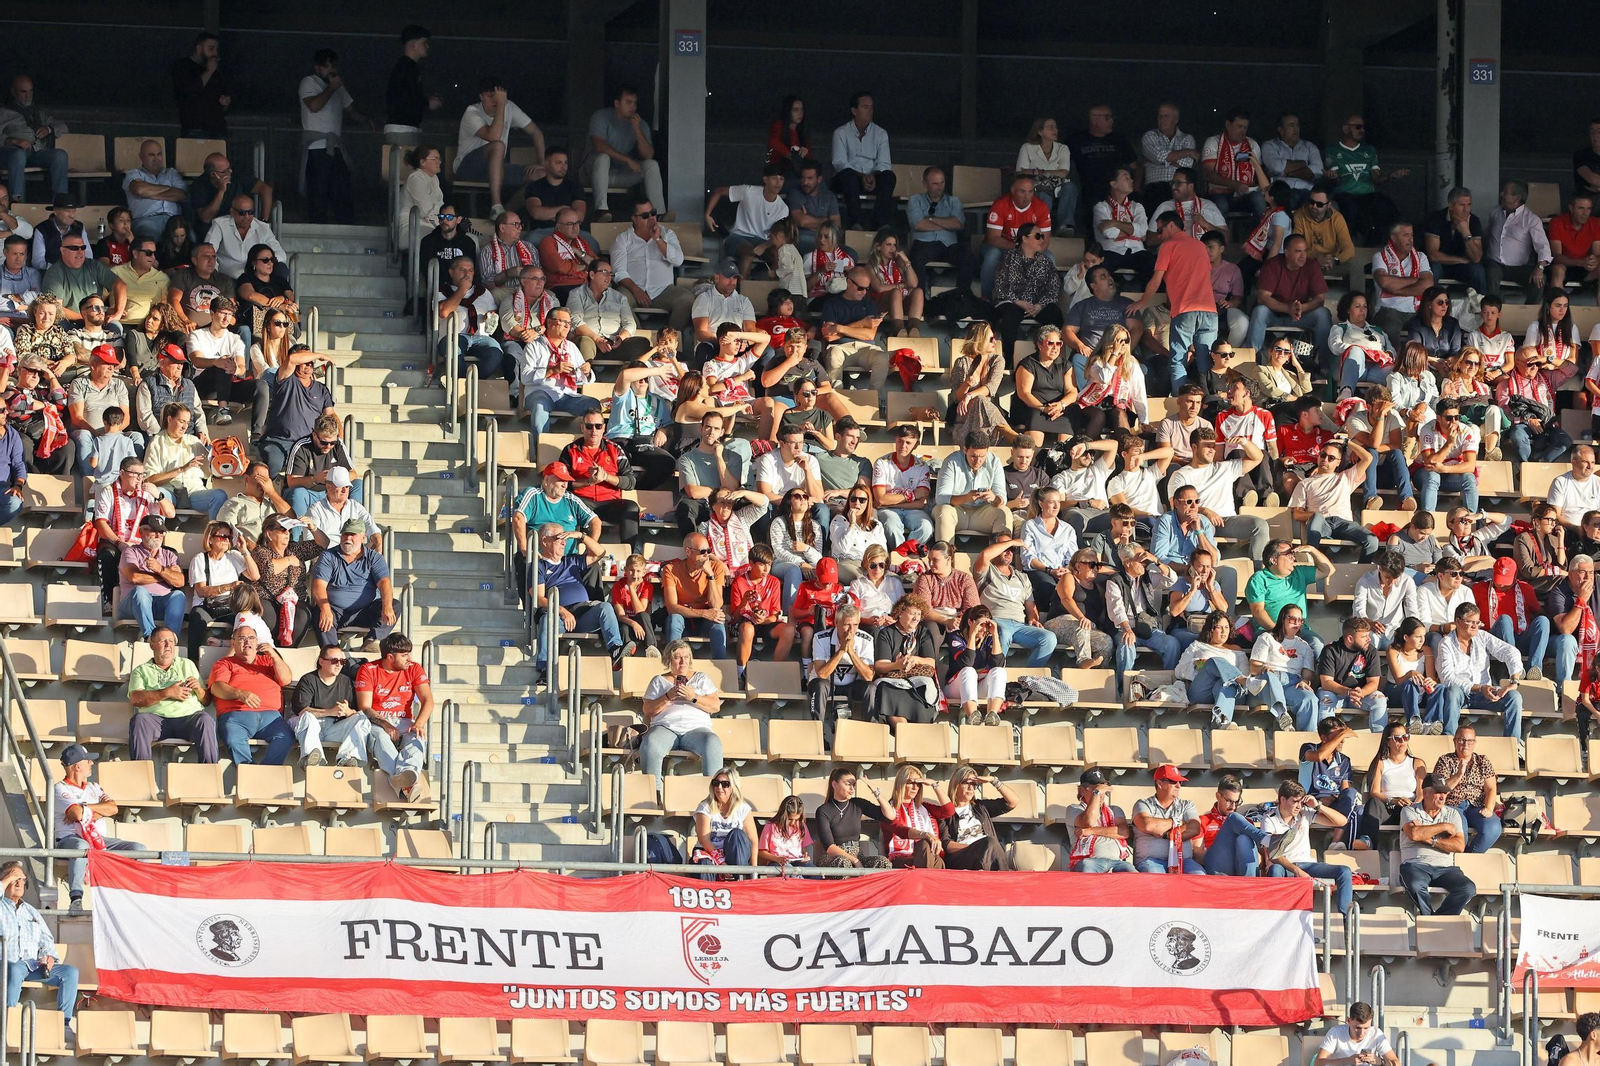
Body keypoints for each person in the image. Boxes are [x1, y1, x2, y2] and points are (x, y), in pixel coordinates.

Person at [53, 743, 151, 915]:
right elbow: (76, 813)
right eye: (88, 761)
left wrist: (85, 809)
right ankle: (76, 899)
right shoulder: (59, 788)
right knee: (82, 846)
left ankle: (140, 898)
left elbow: (113, 808)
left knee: (139, 849)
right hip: (69, 840)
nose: (92, 763)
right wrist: (95, 811)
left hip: (98, 839)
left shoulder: (94, 787)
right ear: (77, 766)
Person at [1128, 211, 1217, 394]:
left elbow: (1156, 280)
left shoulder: (1168, 245)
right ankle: (1208, 402)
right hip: (1209, 310)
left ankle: (1180, 402)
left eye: (1160, 230)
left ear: (1171, 225)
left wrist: (1142, 302)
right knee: (1206, 361)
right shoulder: (1200, 246)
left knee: (1178, 361)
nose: (1159, 235)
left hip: (1185, 310)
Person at [1170, 426, 1269, 561]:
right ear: (1194, 447)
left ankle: (1258, 569)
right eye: (1207, 446)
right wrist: (1205, 511)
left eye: (1213, 446)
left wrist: (1243, 442)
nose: (1212, 450)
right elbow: (1175, 506)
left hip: (1227, 521)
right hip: (1200, 520)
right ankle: (1206, 567)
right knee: (1203, 524)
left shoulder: (1224, 468)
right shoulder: (1180, 475)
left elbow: (1257, 458)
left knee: (1260, 525)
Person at [352, 633, 432, 800]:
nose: (410, 658)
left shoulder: (414, 668)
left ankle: (406, 775)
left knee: (417, 736)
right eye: (404, 655)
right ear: (389, 657)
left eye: (409, 653)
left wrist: (418, 724)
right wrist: (385, 724)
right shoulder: (368, 670)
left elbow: (428, 700)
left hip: (404, 720)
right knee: (381, 737)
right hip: (377, 722)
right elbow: (365, 707)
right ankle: (407, 785)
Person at [455, 78, 545, 219]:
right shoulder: (472, 111)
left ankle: (504, 215)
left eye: (499, 97)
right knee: (498, 146)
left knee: (542, 175)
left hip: (496, 169)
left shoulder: (509, 107)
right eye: (491, 96)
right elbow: (494, 136)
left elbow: (536, 132)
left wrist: (542, 162)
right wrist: (502, 105)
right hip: (468, 169)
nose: (495, 101)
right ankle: (496, 206)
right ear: (481, 96)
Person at [1262, 781, 1354, 915]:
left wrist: (1318, 806)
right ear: (1283, 799)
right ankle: (1277, 916)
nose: (1299, 806)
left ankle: (1346, 920)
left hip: (1307, 864)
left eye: (1301, 802)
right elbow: (1273, 854)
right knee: (1275, 869)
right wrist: (1297, 871)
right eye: (1295, 801)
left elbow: (1342, 821)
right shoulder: (1269, 819)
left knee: (1344, 871)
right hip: (1285, 866)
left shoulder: (1305, 812)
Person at [128, 625, 217, 763]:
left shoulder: (187, 664)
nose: (168, 645)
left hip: (189, 719)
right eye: (163, 641)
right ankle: (141, 773)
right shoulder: (141, 670)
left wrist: (199, 689)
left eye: (171, 641)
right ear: (152, 645)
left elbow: (206, 701)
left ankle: (209, 772)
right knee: (139, 721)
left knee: (206, 720)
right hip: (155, 720)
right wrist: (167, 692)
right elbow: (135, 699)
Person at [641, 640, 723, 787]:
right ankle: (653, 793)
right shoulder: (658, 681)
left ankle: (714, 796)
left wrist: (694, 697)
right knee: (651, 743)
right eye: (677, 657)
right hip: (665, 727)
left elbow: (715, 706)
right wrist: (668, 696)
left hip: (696, 729)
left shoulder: (701, 678)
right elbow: (647, 710)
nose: (683, 661)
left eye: (686, 657)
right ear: (669, 659)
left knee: (713, 742)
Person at [207, 626, 294, 766]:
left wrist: (273, 654)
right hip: (236, 716)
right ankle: (249, 772)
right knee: (233, 740)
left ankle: (262, 773)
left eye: (251, 638)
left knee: (286, 737)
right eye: (242, 638)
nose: (247, 641)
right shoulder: (224, 663)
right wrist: (239, 693)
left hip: (271, 718)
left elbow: (286, 680)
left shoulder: (268, 661)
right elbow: (217, 688)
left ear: (257, 642)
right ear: (233, 643)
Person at [1436, 602, 1525, 739]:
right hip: (1461, 694)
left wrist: (1514, 680)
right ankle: (1449, 739)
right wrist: (1479, 688)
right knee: (1452, 691)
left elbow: (1510, 651)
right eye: (1470, 622)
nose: (1475, 626)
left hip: (1486, 694)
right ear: (1458, 621)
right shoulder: (1446, 643)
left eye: (1477, 622)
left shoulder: (1482, 636)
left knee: (1514, 697)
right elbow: (1447, 679)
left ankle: (1513, 744)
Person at [1398, 773, 1476, 916]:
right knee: (1415, 886)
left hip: (1446, 868)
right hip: (1416, 865)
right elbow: (1414, 834)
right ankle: (1430, 920)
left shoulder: (1453, 814)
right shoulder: (1409, 810)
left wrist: (1428, 838)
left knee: (1468, 888)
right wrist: (1444, 826)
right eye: (1438, 792)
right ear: (1425, 793)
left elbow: (1459, 846)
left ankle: (1436, 920)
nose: (1442, 797)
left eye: (1445, 793)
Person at [310, 521, 396, 650]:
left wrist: (387, 606)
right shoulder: (328, 556)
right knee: (319, 612)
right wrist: (325, 609)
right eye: (345, 534)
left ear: (363, 537)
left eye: (353, 534)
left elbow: (384, 582)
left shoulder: (374, 558)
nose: (348, 538)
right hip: (335, 611)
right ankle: (332, 653)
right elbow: (318, 586)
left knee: (394, 605)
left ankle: (371, 641)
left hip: (366, 611)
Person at [611, 198, 694, 328]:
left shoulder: (667, 234)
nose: (651, 218)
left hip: (663, 290)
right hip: (633, 289)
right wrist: (636, 290)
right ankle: (637, 336)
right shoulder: (622, 239)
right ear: (634, 218)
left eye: (653, 213)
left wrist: (658, 239)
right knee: (616, 298)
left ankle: (671, 337)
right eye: (645, 216)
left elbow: (678, 260)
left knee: (687, 299)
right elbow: (619, 272)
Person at [586, 85, 662, 223]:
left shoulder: (640, 123)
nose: (633, 107)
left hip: (620, 174)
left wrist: (637, 130)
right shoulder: (601, 116)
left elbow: (648, 155)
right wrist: (627, 160)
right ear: (617, 103)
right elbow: (599, 146)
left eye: (635, 103)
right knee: (603, 158)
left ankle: (659, 213)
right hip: (593, 172)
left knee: (651, 165)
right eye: (628, 102)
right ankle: (601, 211)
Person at [990, 223, 1064, 361]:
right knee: (1010, 315)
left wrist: (1040, 305)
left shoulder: (1045, 262)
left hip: (1037, 305)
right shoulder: (1008, 258)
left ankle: (1052, 358)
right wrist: (1018, 302)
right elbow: (1000, 285)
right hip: (1013, 302)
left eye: (1042, 236)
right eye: (1038, 236)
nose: (1042, 239)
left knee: (1055, 313)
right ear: (1024, 238)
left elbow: (1053, 287)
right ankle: (1009, 359)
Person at [1247, 235, 1331, 354]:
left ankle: (1325, 364)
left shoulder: (1312, 265)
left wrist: (1301, 308)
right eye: (1298, 251)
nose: (1303, 256)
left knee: (1323, 313)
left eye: (1305, 251)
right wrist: (1287, 308)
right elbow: (1262, 297)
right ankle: (1252, 360)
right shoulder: (1273, 264)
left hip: (1301, 315)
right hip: (1274, 315)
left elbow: (1320, 299)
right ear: (1286, 252)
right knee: (1260, 311)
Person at [145, 402, 226, 519]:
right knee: (153, 493)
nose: (185, 427)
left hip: (194, 492)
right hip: (169, 492)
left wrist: (221, 458)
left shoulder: (194, 441)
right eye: (181, 421)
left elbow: (212, 471)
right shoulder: (156, 443)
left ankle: (215, 530)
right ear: (169, 419)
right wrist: (181, 469)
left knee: (219, 495)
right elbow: (149, 480)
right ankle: (157, 529)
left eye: (187, 423)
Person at [1497, 346, 1575, 465]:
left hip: (1547, 423)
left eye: (1537, 363)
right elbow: (1506, 410)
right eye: (1530, 364)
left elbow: (1572, 369)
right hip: (1522, 424)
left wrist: (1548, 359)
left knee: (1565, 440)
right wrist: (1528, 419)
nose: (1534, 367)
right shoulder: (1506, 384)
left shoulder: (1548, 377)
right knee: (1518, 435)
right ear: (1517, 363)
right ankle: (1525, 466)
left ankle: (1537, 465)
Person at [808, 603, 876, 740]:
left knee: (871, 688)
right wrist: (841, 650)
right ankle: (817, 735)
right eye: (847, 625)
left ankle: (873, 734)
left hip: (852, 685)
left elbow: (869, 676)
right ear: (836, 623)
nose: (851, 630)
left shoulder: (866, 640)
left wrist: (851, 652)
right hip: (826, 684)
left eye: (855, 625)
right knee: (820, 685)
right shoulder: (820, 638)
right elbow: (821, 674)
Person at [1174, 611, 1253, 728]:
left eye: (1226, 627)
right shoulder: (1197, 646)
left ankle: (1223, 721)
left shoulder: (1237, 652)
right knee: (1214, 661)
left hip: (1231, 693)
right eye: (1219, 627)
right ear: (1210, 629)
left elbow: (1245, 674)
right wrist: (1195, 665)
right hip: (1201, 692)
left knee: (1225, 682)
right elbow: (1178, 671)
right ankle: (1238, 678)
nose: (1224, 631)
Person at [290, 643, 362, 767]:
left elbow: (354, 712)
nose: (339, 664)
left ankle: (347, 758)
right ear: (321, 661)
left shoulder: (346, 681)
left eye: (342, 661)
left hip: (333, 727)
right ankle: (313, 760)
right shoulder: (308, 680)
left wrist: (348, 712)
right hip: (310, 727)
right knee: (307, 717)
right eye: (334, 661)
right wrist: (330, 711)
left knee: (361, 718)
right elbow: (302, 711)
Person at [932, 430, 1010, 544]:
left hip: (983, 513)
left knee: (1005, 512)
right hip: (957, 511)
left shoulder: (994, 462)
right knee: (943, 511)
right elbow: (941, 498)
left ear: (987, 451)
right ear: (965, 450)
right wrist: (966, 498)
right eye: (973, 456)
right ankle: (944, 553)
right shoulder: (951, 462)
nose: (978, 461)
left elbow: (1002, 498)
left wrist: (993, 498)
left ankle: (1000, 554)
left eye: (982, 456)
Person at [115, 514, 187, 638]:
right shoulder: (130, 552)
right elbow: (134, 577)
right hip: (132, 605)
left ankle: (170, 639)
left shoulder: (170, 555)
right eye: (154, 531)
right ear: (141, 532)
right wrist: (164, 573)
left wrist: (160, 569)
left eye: (161, 532)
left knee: (178, 595)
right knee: (140, 591)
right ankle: (151, 637)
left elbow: (180, 581)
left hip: (160, 603)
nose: (158, 535)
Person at [904, 166, 973, 295]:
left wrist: (930, 219)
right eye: (935, 183)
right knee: (915, 259)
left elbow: (958, 225)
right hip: (923, 244)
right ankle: (920, 300)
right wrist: (947, 224)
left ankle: (961, 298)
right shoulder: (915, 200)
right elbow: (918, 224)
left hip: (949, 245)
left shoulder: (954, 201)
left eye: (942, 182)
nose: (940, 187)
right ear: (925, 184)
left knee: (968, 258)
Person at [661, 533, 730, 658]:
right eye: (703, 551)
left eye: (709, 551)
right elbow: (671, 607)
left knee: (718, 620)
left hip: (705, 621)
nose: (707, 555)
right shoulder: (670, 570)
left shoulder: (716, 567)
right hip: (683, 617)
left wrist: (710, 575)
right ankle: (672, 663)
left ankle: (721, 666)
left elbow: (716, 605)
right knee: (674, 619)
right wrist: (703, 613)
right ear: (688, 551)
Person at [1251, 604, 1319, 731]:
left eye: (1300, 620)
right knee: (1268, 676)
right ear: (1283, 619)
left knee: (1310, 698)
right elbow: (1253, 668)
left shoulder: (1304, 646)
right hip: (1270, 678)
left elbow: (1308, 674)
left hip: (1293, 683)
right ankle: (1282, 715)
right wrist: (1263, 668)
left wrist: (1305, 681)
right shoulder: (1267, 638)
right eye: (1293, 619)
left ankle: (1309, 738)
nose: (1297, 623)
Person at [937, 766, 1018, 872]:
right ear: (956, 784)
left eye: (974, 784)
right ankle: (1004, 878)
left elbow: (1013, 802)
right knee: (990, 842)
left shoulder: (980, 807)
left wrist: (994, 781)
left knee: (991, 845)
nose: (971, 788)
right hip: (962, 856)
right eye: (966, 783)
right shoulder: (945, 813)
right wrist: (976, 847)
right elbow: (947, 845)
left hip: (987, 852)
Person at [1317, 616, 1388, 731]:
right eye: (1364, 637)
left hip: (1360, 696)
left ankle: (1380, 739)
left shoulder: (1371, 651)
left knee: (1379, 699)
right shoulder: (1330, 650)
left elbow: (1374, 683)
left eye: (1368, 635)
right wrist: (1348, 692)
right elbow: (1326, 682)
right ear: (1350, 638)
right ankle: (1327, 738)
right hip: (1336, 694)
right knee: (1327, 699)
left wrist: (1361, 693)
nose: (1369, 639)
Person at [1486, 180, 1554, 301]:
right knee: (1490, 272)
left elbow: (1543, 246)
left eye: (1505, 192)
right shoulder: (1495, 212)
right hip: (1495, 264)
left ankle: (1530, 311)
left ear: (1517, 198)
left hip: (1518, 268)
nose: (1501, 194)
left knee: (1539, 280)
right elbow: (1487, 235)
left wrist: (1539, 268)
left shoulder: (1531, 219)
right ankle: (1492, 308)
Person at [874, 766, 953, 869]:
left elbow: (949, 811)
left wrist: (934, 784)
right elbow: (900, 829)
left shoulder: (924, 807)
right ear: (901, 784)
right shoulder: (888, 809)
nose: (915, 788)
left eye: (918, 784)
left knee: (936, 860)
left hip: (924, 856)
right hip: (899, 859)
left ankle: (924, 878)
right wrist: (925, 835)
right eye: (911, 783)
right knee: (926, 846)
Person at [1130, 764, 1204, 875]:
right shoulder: (1143, 804)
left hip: (1184, 860)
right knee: (1157, 878)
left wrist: (1167, 835)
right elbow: (1148, 825)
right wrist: (1176, 822)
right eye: (1173, 781)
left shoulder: (1187, 805)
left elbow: (1195, 828)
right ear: (1159, 783)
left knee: (1199, 876)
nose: (1178, 786)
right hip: (1151, 861)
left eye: (1180, 782)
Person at [1370, 222, 1435, 346]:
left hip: (1417, 311)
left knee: (1427, 329)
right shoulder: (1380, 257)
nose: (1411, 239)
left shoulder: (1421, 257)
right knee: (1388, 325)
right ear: (1394, 238)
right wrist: (1415, 280)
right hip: (1389, 310)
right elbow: (1384, 282)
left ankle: (1417, 359)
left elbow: (1428, 284)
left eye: (1412, 235)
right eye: (1406, 235)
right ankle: (1394, 358)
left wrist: (1397, 290)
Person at [815, 768, 893, 869]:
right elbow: (829, 847)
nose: (852, 789)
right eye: (848, 784)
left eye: (854, 785)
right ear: (834, 784)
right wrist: (855, 861)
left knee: (883, 862)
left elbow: (889, 816)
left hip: (857, 854)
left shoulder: (857, 804)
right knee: (844, 862)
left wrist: (873, 788)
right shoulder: (823, 811)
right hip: (833, 857)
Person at [1414, 397, 1481, 514]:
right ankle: (1428, 517)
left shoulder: (1466, 431)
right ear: (1439, 418)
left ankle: (1471, 518)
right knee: (1433, 476)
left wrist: (1444, 469)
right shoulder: (1428, 429)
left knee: (1469, 478)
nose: (1454, 421)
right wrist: (1449, 443)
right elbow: (1430, 463)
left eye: (1457, 417)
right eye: (1449, 418)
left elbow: (1470, 466)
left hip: (1450, 474)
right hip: (1424, 473)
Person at [872, 424, 934, 549]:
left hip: (912, 510)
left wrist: (890, 503)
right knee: (891, 526)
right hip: (889, 511)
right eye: (900, 441)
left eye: (908, 442)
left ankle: (904, 553)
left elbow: (921, 503)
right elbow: (881, 499)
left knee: (926, 527)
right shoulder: (882, 463)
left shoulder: (922, 467)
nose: (903, 446)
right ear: (895, 440)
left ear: (916, 445)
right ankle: (901, 555)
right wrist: (913, 495)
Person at [1065, 769, 1136, 874]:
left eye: (1102, 789)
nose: (1101, 794)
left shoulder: (1115, 810)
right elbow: (1089, 821)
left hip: (1117, 862)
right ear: (1082, 791)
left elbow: (1123, 832)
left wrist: (1091, 831)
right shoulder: (1073, 809)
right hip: (1089, 861)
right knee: (1087, 866)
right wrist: (1096, 793)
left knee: (1133, 873)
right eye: (1095, 789)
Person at [1200, 109, 1267, 218]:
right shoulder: (1214, 142)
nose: (1242, 131)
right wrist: (1233, 184)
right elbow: (1207, 173)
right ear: (1228, 124)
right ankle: (1221, 230)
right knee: (1221, 205)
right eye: (1239, 126)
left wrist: (1251, 185)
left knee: (1258, 199)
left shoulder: (1252, 144)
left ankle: (1263, 229)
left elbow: (1259, 178)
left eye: (1245, 128)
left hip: (1246, 195)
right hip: (1221, 194)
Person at [1093, 167, 1154, 285]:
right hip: (1111, 250)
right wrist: (1132, 231)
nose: (1131, 181)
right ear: (1114, 184)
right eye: (1126, 178)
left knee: (1153, 265)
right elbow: (1109, 232)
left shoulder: (1137, 206)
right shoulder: (1101, 207)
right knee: (1100, 269)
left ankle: (1148, 296)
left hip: (1136, 250)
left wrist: (1114, 223)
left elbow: (1142, 231)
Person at [1423, 186, 1487, 293]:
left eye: (1469, 205)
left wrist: (1466, 233)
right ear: (1451, 205)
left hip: (1462, 266)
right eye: (1462, 205)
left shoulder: (1474, 221)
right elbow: (1433, 255)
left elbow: (1476, 258)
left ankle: (1481, 302)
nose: (1466, 210)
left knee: (1478, 270)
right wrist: (1460, 260)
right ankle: (1429, 301)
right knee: (1433, 269)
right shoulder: (1436, 218)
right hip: (1441, 263)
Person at [123, 139, 188, 241]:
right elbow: (139, 189)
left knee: (192, 238)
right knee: (150, 238)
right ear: (141, 157)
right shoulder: (134, 173)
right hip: (146, 220)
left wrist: (149, 193)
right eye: (151, 155)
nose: (156, 159)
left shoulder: (171, 173)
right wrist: (169, 189)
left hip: (174, 220)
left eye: (159, 154)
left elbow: (182, 194)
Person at [1148, 168, 1226, 241]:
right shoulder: (1165, 207)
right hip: (1176, 250)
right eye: (1172, 183)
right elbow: (1150, 239)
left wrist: (1206, 225)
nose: (1173, 187)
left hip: (1203, 250)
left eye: (1178, 183)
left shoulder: (1209, 205)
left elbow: (1226, 237)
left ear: (1191, 186)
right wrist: (1172, 232)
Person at [1315, 1002, 1399, 1066]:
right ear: (1348, 1021)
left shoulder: (1376, 1034)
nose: (1362, 1033)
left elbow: (1396, 1063)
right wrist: (1347, 1061)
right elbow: (1318, 1063)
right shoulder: (1335, 1033)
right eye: (1357, 1028)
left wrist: (1378, 1061)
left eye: (1366, 1028)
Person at [1405, 287, 1463, 365]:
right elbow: (1415, 352)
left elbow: (1455, 351)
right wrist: (1437, 362)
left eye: (1447, 302)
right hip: (1422, 365)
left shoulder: (1453, 324)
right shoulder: (1416, 323)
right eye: (1440, 302)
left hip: (1447, 366)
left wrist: (1447, 362)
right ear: (1429, 304)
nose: (1444, 306)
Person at [768, 96, 814, 175]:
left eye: (802, 110)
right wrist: (790, 155)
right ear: (788, 111)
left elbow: (810, 156)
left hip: (798, 173)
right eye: (795, 110)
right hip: (779, 172)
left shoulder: (803, 131)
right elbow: (774, 142)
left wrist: (805, 153)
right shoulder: (779, 126)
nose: (800, 113)